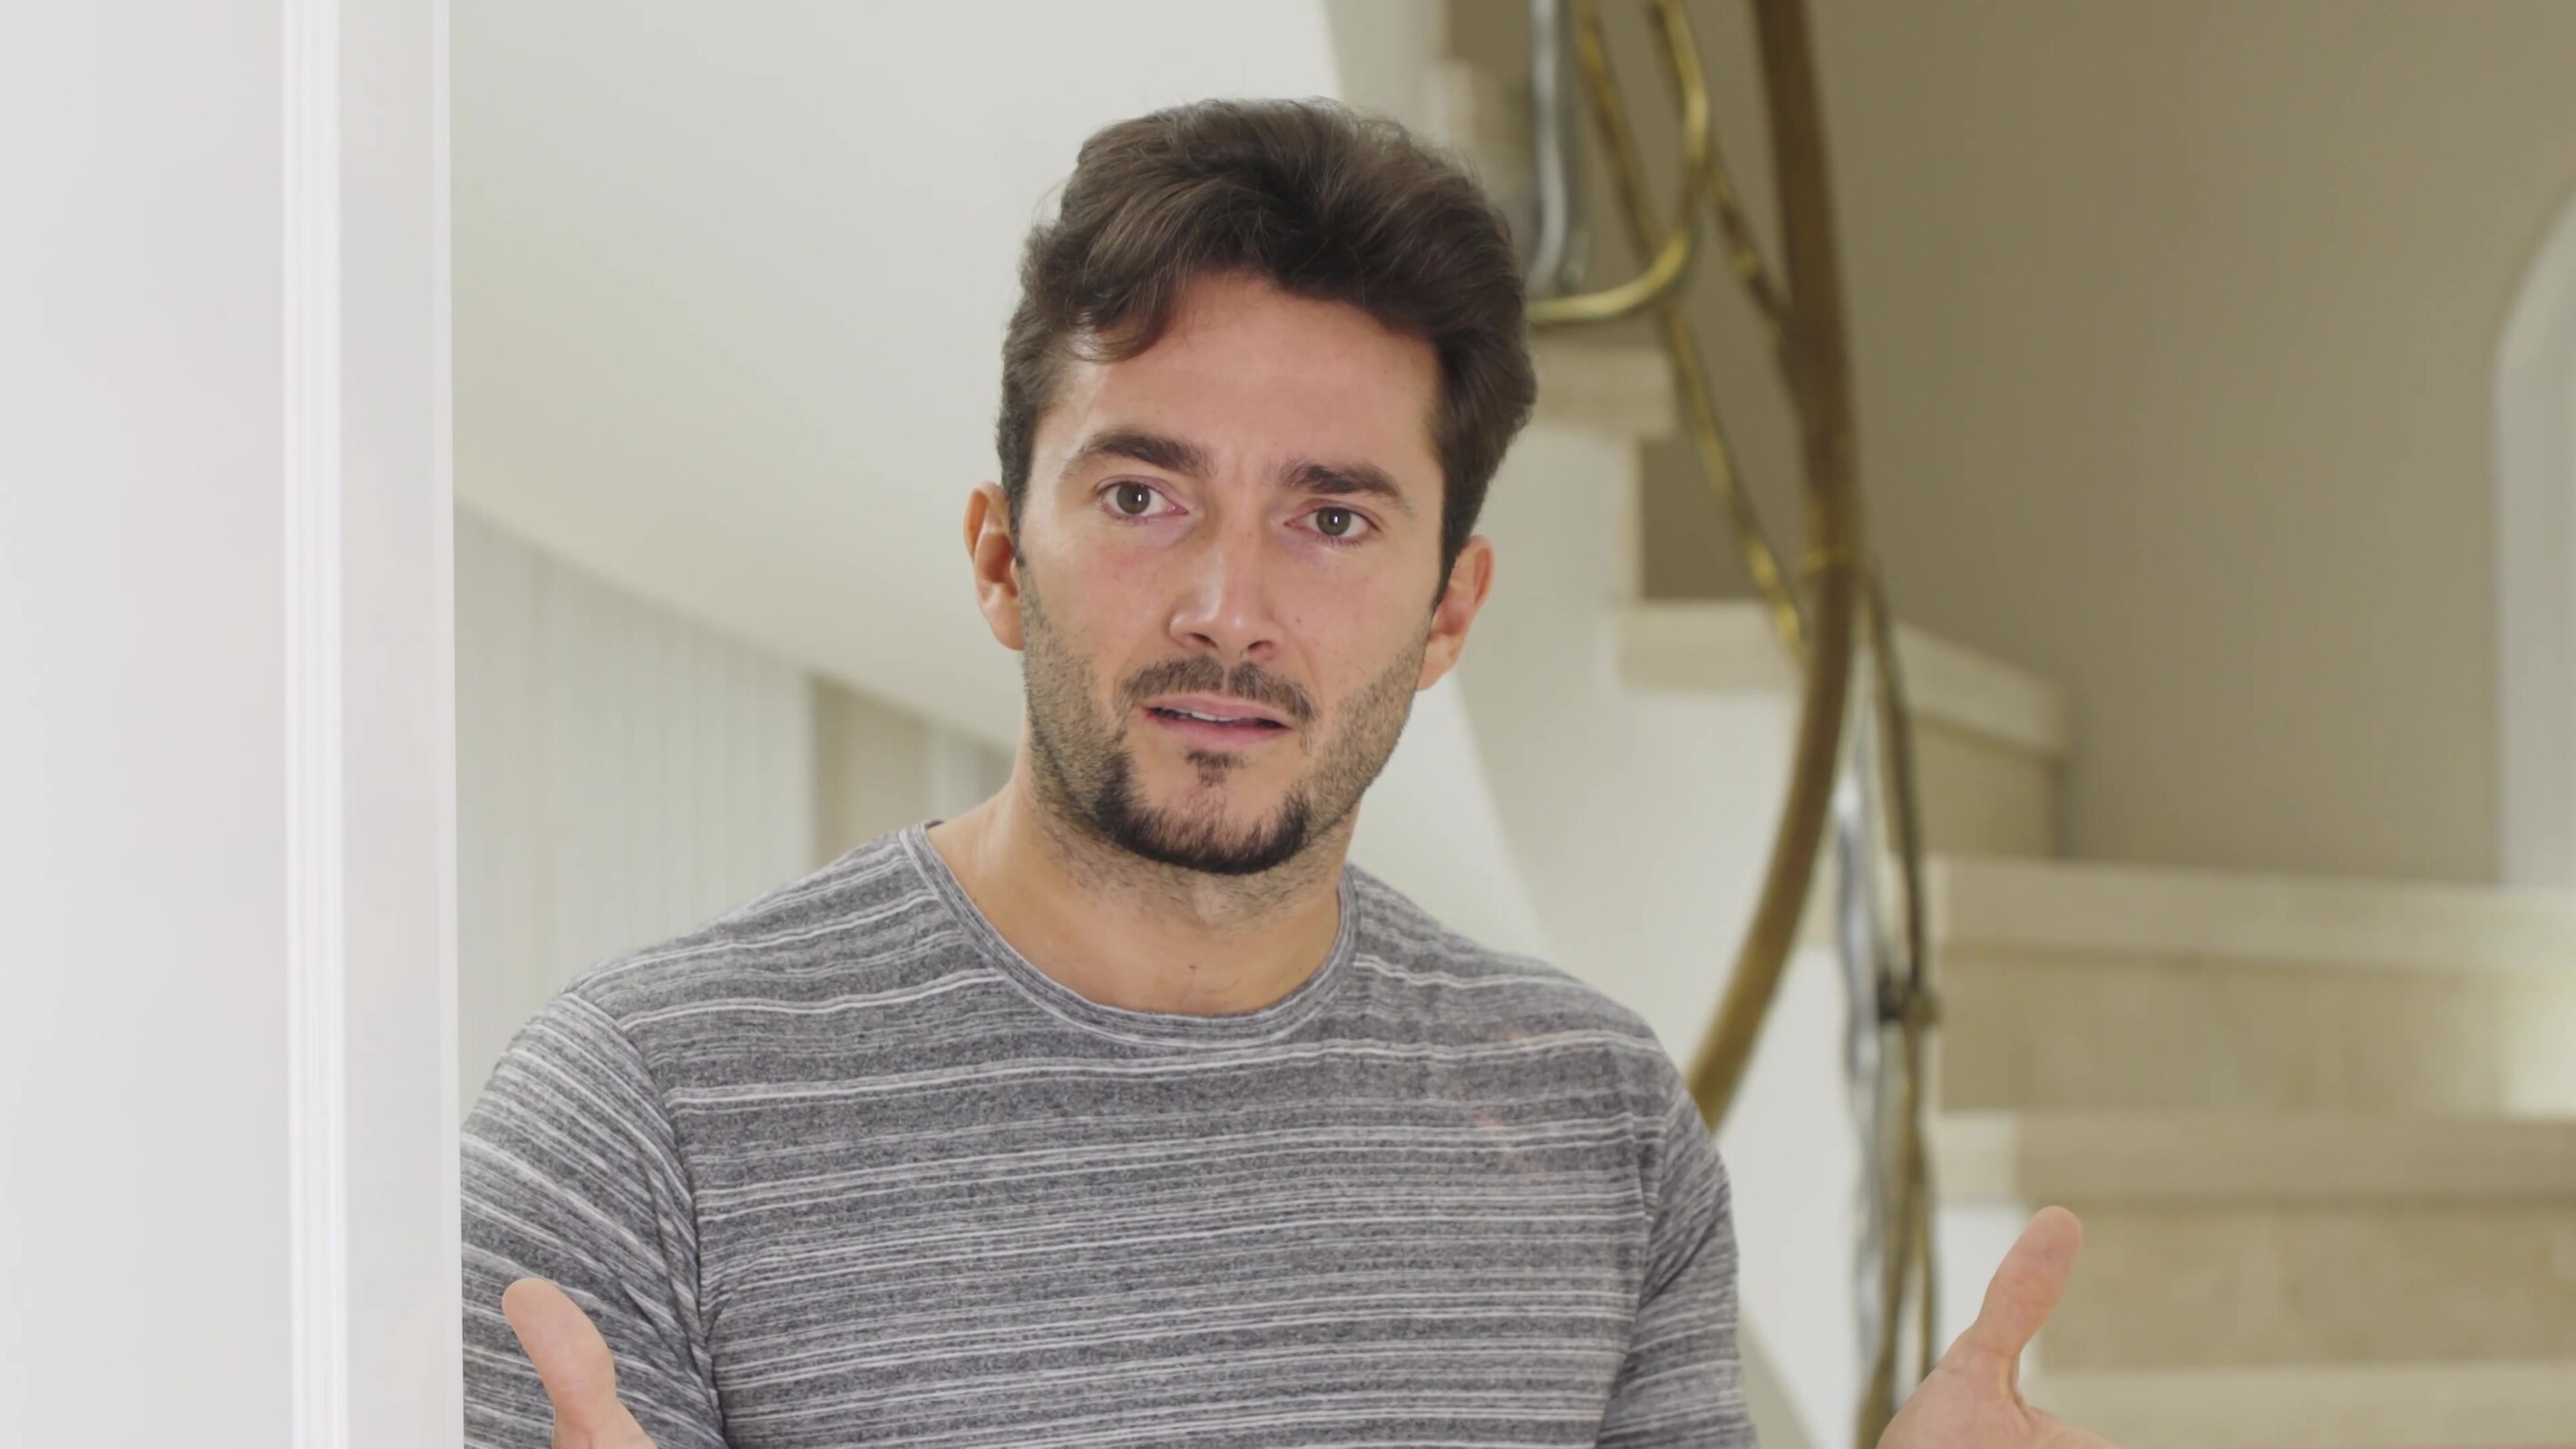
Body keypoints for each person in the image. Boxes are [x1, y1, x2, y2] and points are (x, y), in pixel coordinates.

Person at [463, 96, 2113, 1449]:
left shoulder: (1595, 1120)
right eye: (1141, 497)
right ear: (998, 558)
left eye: (1331, 517)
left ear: (1450, 610)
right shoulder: (639, 1117)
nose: (1227, 607)